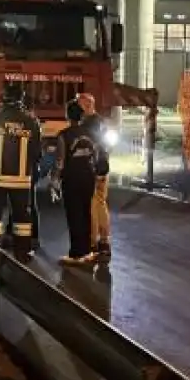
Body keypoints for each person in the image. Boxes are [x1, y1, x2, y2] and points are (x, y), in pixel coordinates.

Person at [0, 82, 42, 263]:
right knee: (22, 218)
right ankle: (22, 253)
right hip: (21, 180)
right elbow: (37, 153)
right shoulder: (31, 123)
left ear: (3, 99)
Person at [54, 99, 99, 265]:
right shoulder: (91, 134)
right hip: (88, 178)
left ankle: (75, 254)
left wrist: (54, 180)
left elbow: (60, 161)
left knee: (74, 216)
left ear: (67, 115)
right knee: (86, 212)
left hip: (71, 179)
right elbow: (97, 155)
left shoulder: (64, 135)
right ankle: (87, 251)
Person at [78, 93, 112, 259]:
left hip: (91, 169)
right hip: (103, 168)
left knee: (90, 206)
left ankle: (91, 244)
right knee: (101, 203)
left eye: (81, 105)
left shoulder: (85, 125)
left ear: (87, 105)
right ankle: (104, 241)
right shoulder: (101, 122)